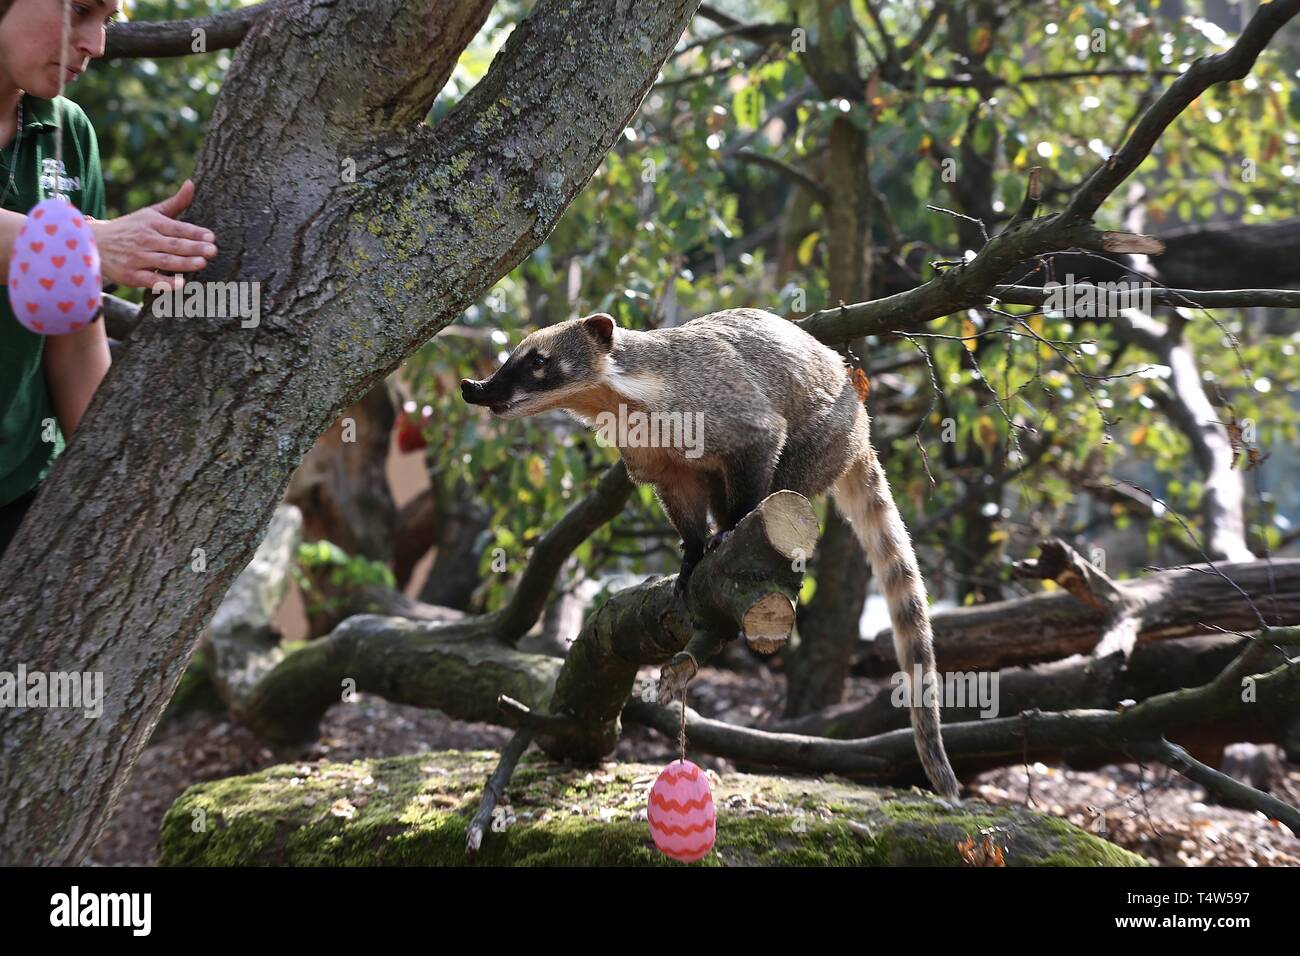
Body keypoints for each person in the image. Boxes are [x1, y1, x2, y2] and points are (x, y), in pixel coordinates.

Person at [0, 0, 219, 561]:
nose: (96, 44)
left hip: (15, 502)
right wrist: (84, 243)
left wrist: (125, 497)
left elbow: (70, 343)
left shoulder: (67, 132)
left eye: (108, 21)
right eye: (80, 9)